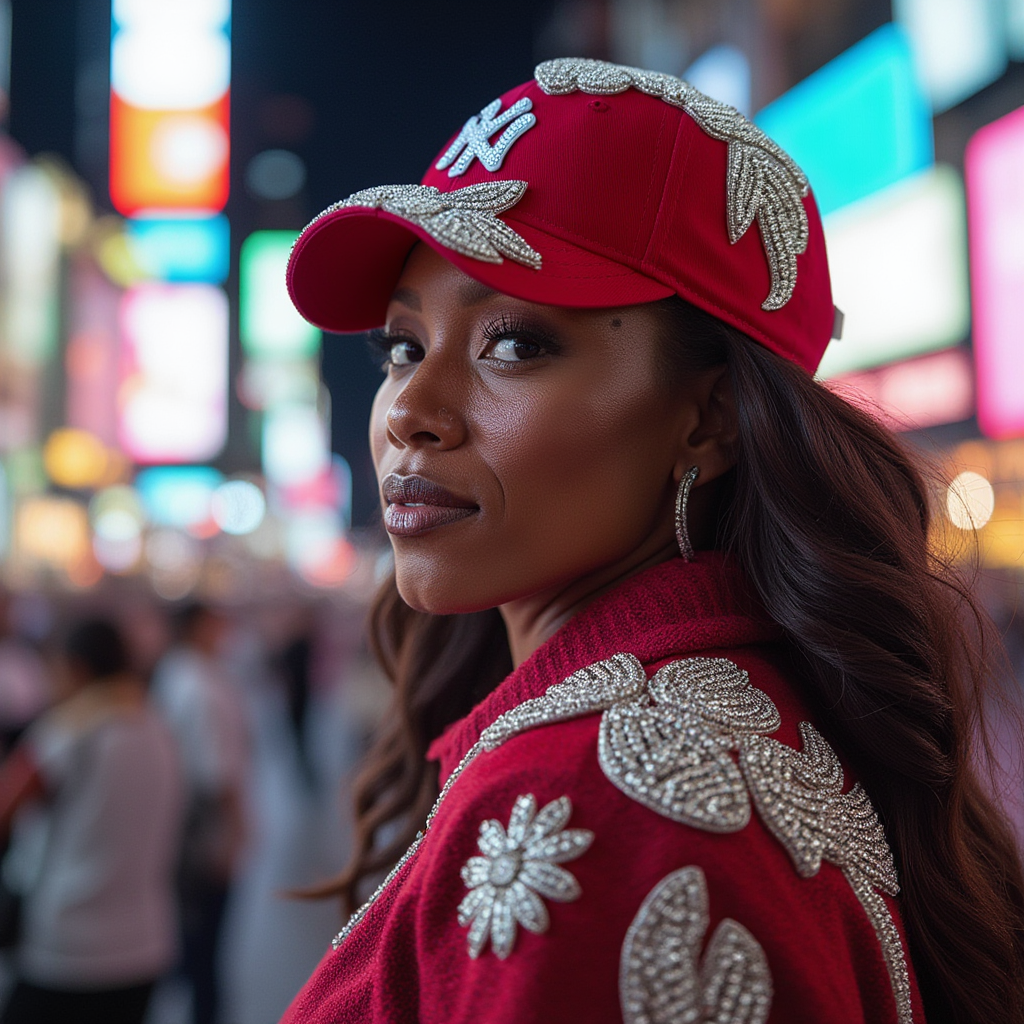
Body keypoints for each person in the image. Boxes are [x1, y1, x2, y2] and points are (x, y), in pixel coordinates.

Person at [280, 59, 1024, 1024]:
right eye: (402, 347)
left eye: (514, 343)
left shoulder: (604, 814)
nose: (410, 411)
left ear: (709, 417)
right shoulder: (717, 715)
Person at [0, 617, 183, 1024]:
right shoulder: (158, 729)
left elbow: (7, 805)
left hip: (65, 949)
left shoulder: (65, 732)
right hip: (145, 945)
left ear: (76, 667)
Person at [151, 602, 249, 1024]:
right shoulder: (201, 686)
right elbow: (218, 775)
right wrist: (233, 836)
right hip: (203, 833)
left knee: (194, 945)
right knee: (205, 950)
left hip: (179, 825)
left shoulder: (175, 673)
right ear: (198, 628)